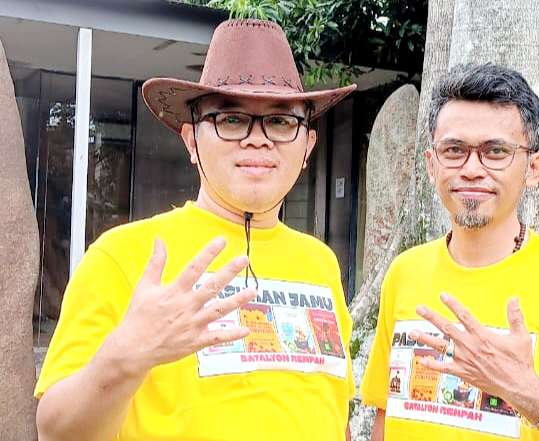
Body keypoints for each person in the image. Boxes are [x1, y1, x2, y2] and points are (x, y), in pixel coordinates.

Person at [35, 19, 356, 441]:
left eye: (281, 121)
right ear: (191, 141)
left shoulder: (320, 263)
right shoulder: (124, 256)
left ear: (307, 146)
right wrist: (124, 358)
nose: (258, 139)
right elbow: (55, 431)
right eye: (231, 119)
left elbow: (332, 409)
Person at [361, 63, 539, 441]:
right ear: (432, 165)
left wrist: (530, 396)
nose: (471, 169)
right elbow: (385, 417)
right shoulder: (405, 273)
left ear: (534, 168)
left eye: (496, 151)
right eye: (454, 150)